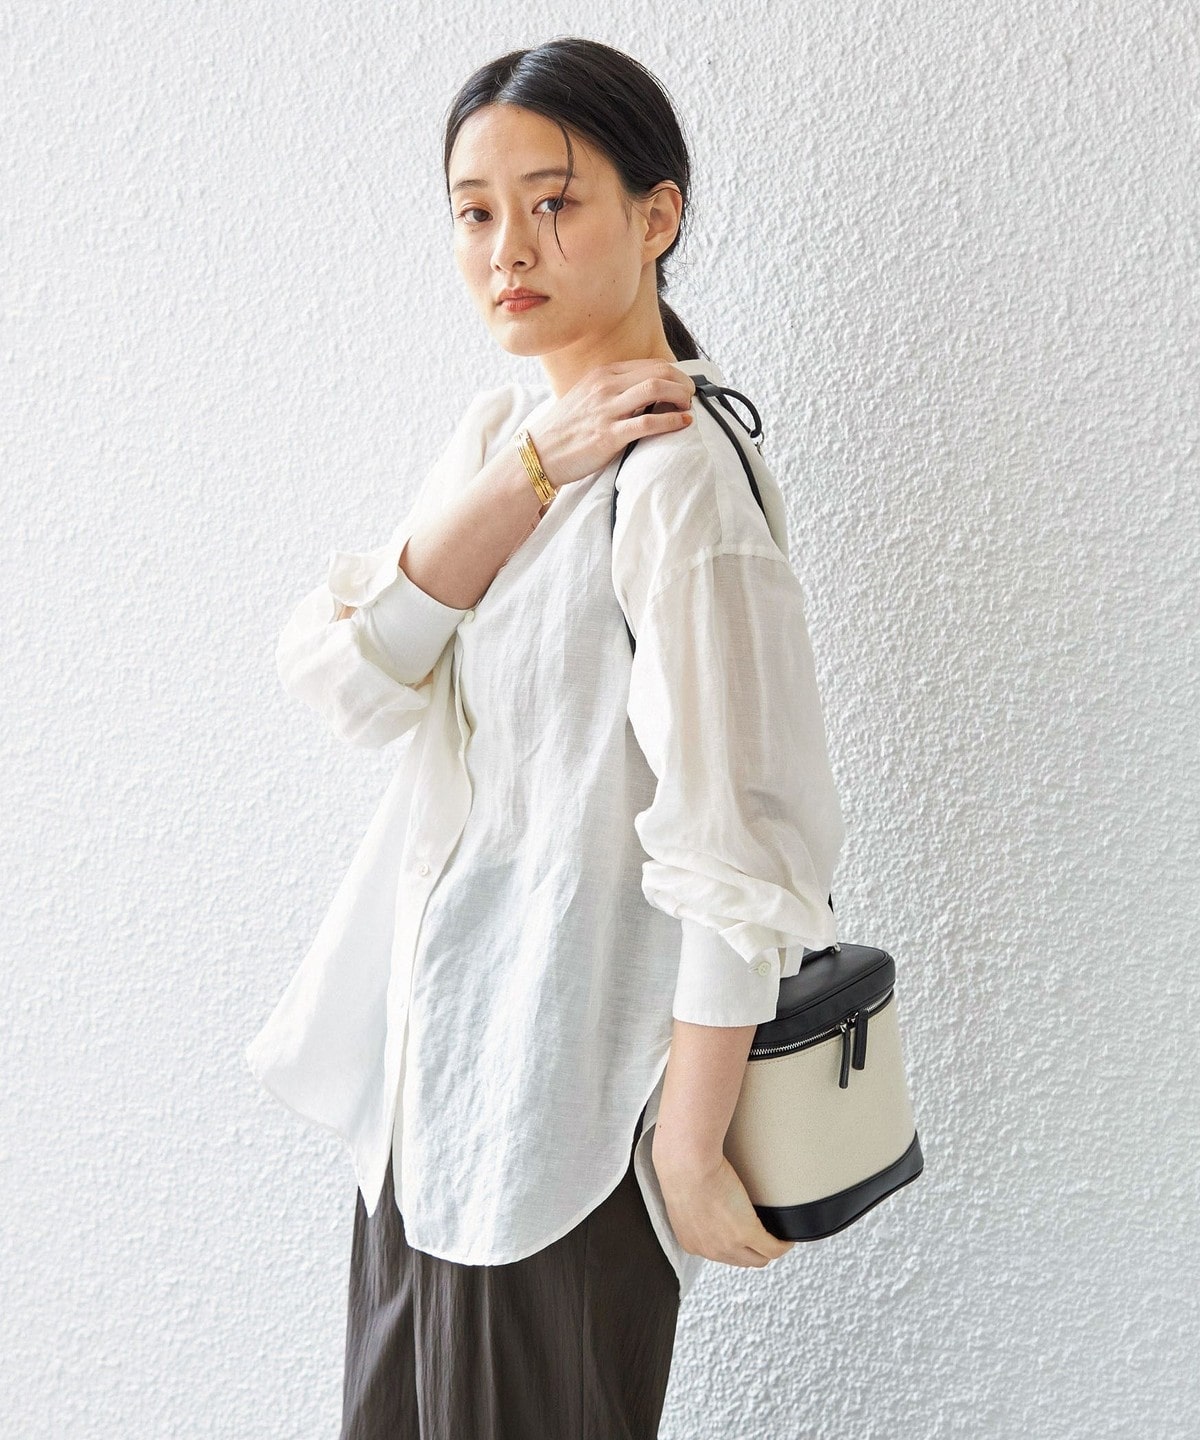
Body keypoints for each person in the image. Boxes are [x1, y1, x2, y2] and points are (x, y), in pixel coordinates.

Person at [245, 36, 845, 1440]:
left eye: (555, 201)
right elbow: (350, 677)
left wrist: (688, 1147)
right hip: (429, 1107)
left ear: (657, 214)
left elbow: (737, 840)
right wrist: (534, 465)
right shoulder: (507, 439)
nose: (507, 247)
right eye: (474, 211)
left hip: (564, 1126)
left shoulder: (679, 481)